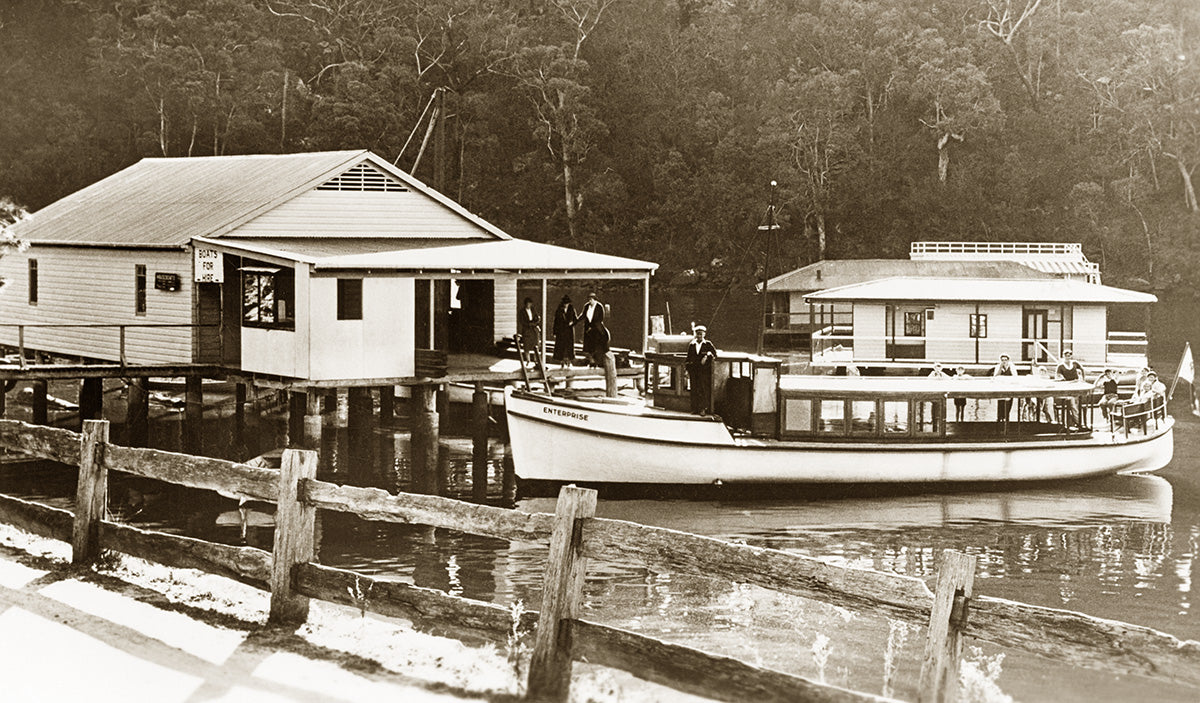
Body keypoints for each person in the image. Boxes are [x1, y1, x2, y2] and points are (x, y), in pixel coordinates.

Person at [685, 325, 717, 414]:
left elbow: (715, 354)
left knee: (703, 389)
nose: (699, 336)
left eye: (701, 334)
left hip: (703, 372)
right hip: (693, 371)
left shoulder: (708, 344)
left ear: (704, 334)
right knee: (694, 389)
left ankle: (703, 409)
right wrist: (687, 370)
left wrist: (707, 356)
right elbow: (688, 358)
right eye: (697, 334)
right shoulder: (692, 345)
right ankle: (694, 408)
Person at [1055, 349, 1086, 427]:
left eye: (1069, 355)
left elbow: (1082, 369)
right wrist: (1062, 380)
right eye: (1066, 355)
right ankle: (1078, 423)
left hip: (1076, 385)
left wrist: (1082, 379)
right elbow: (1057, 376)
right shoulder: (1060, 366)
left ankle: (1079, 423)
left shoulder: (1075, 363)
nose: (1068, 357)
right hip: (1067, 387)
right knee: (1072, 405)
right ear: (1063, 356)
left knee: (1078, 404)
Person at [578, 291, 606, 365]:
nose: (590, 301)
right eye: (589, 299)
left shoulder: (599, 307)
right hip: (588, 328)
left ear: (594, 299)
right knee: (587, 346)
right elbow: (583, 315)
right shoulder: (587, 306)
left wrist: (593, 326)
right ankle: (591, 360)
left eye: (591, 299)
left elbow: (600, 318)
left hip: (596, 328)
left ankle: (595, 360)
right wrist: (576, 321)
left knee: (595, 344)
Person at [552, 295, 578, 367]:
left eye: (567, 303)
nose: (566, 305)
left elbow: (576, 319)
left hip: (569, 331)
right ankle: (562, 362)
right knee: (561, 347)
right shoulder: (559, 309)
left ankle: (569, 361)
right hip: (561, 331)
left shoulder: (572, 309)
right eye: (565, 303)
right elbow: (556, 321)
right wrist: (554, 332)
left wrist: (572, 323)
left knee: (569, 347)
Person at [990, 353, 1017, 421]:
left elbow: (1015, 376)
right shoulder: (998, 366)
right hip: (1001, 388)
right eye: (1002, 360)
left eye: (1005, 360)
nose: (1004, 361)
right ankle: (999, 419)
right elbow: (995, 376)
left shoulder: (1011, 366)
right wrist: (1000, 367)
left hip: (1009, 387)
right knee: (1000, 404)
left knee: (1008, 404)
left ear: (1008, 360)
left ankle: (1007, 419)